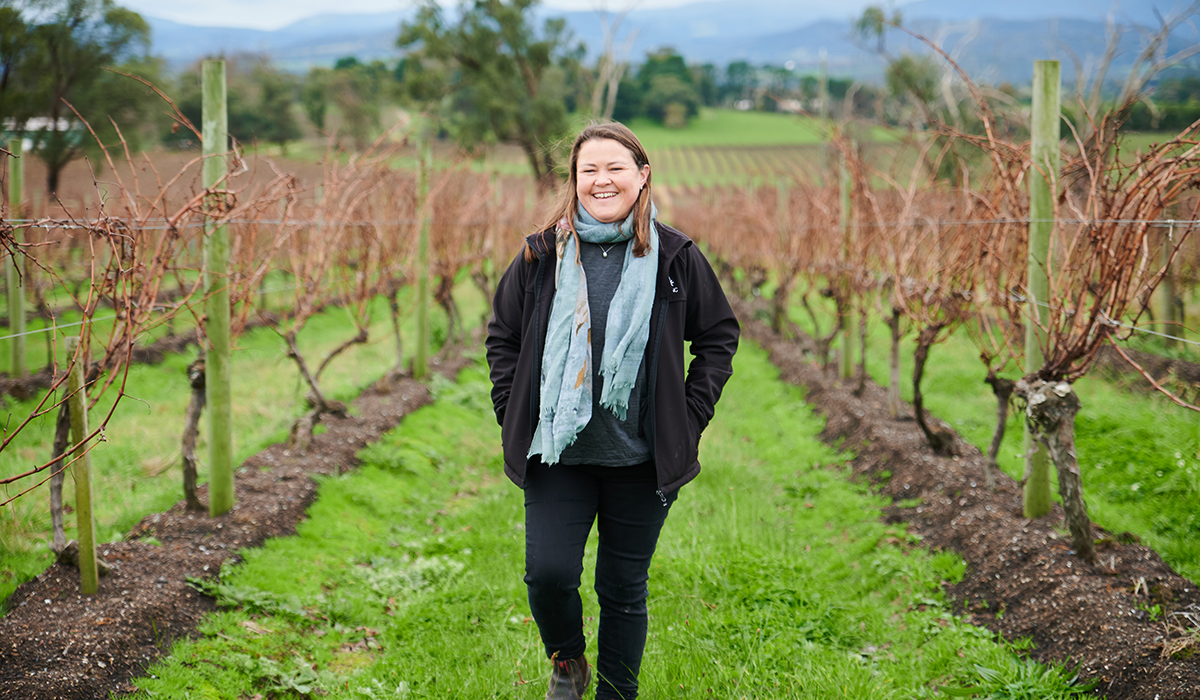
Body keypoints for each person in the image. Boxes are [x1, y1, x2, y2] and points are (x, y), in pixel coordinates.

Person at [485, 122, 739, 700]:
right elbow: (502, 335)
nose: (602, 181)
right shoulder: (540, 255)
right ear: (574, 182)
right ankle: (568, 662)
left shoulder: (675, 256)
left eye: (615, 168)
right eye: (588, 170)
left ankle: (617, 694)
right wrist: (513, 409)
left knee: (623, 588)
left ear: (642, 174)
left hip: (641, 460)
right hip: (559, 455)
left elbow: (718, 336)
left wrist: (690, 417)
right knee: (548, 576)